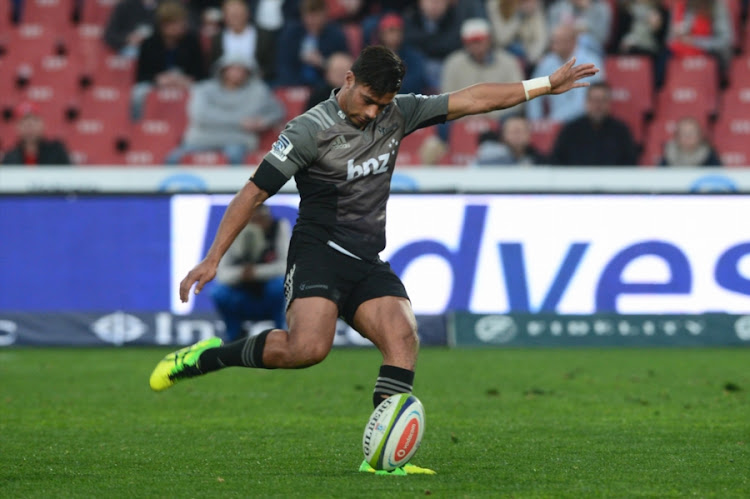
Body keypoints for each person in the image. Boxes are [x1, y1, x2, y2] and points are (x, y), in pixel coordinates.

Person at [148, 45, 598, 474]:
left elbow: (472, 99)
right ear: (349, 80)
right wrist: (212, 258)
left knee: (402, 337)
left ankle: (381, 459)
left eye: (381, 105)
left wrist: (543, 85)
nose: (372, 113)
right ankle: (211, 357)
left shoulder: (397, 111)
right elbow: (254, 192)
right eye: (367, 100)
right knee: (307, 350)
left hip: (365, 257)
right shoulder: (308, 130)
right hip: (318, 253)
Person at [165, 53, 285, 165]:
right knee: (172, 158)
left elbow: (278, 111)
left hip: (238, 141)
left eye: (241, 69)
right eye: (232, 68)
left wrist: (264, 121)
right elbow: (201, 116)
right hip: (202, 138)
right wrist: (240, 122)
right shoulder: (203, 89)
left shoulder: (258, 90)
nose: (237, 73)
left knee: (235, 157)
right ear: (223, 70)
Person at [210, 205, 291, 341]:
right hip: (242, 295)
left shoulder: (279, 227)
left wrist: (256, 273)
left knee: (280, 286)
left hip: (269, 294)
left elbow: (285, 267)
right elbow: (221, 274)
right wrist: (241, 274)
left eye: (262, 219)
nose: (257, 225)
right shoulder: (233, 231)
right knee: (218, 292)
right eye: (253, 220)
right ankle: (234, 335)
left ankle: (282, 333)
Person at [130, 0, 208, 121]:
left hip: (185, 82)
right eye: (175, 24)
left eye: (182, 23)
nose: (180, 27)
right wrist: (158, 79)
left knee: (201, 92)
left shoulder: (192, 41)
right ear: (163, 25)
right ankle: (138, 128)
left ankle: (197, 124)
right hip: (157, 83)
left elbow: (202, 75)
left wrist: (186, 80)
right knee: (138, 92)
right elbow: (140, 76)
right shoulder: (149, 43)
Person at [441, 18, 525, 120]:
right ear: (464, 43)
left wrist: (491, 116)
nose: (476, 46)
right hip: (462, 119)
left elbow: (518, 97)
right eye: (471, 42)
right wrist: (470, 116)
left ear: (489, 40)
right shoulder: (453, 63)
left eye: (479, 41)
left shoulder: (508, 62)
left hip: (499, 119)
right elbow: (446, 100)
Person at [526, 23, 604, 123]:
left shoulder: (591, 63)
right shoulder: (547, 63)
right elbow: (533, 93)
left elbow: (583, 103)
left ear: (570, 42)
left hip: (583, 122)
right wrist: (536, 122)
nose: (553, 46)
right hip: (553, 123)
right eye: (552, 42)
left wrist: (554, 121)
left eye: (557, 42)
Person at [548, 82, 638, 166]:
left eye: (603, 100)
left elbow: (630, 164)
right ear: (586, 102)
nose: (598, 105)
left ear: (609, 103)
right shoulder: (570, 131)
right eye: (594, 100)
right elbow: (557, 162)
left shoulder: (621, 132)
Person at [273, 0, 349, 87]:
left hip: (324, 86)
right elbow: (283, 65)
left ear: (324, 15)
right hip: (293, 83)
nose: (311, 21)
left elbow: (344, 64)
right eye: (308, 16)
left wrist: (323, 62)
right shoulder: (291, 33)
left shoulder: (335, 35)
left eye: (316, 16)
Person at [372, 12, 429, 95]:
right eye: (391, 30)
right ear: (381, 33)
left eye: (398, 31)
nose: (395, 35)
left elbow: (417, 80)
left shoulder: (414, 55)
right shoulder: (374, 57)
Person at [485, 0, 548, 72]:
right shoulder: (496, 4)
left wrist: (530, 59)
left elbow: (541, 39)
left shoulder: (532, 4)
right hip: (503, 54)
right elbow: (501, 39)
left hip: (528, 57)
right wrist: (519, 16)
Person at [1, 101, 71, 166]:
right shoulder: (10, 157)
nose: (30, 127)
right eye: (24, 122)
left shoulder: (57, 151)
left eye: (34, 121)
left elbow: (70, 175)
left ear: (42, 124)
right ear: (17, 127)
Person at [473, 114, 545, 166]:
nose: (518, 136)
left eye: (522, 131)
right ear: (502, 136)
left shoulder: (539, 160)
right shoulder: (489, 158)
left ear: (529, 135)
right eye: (513, 132)